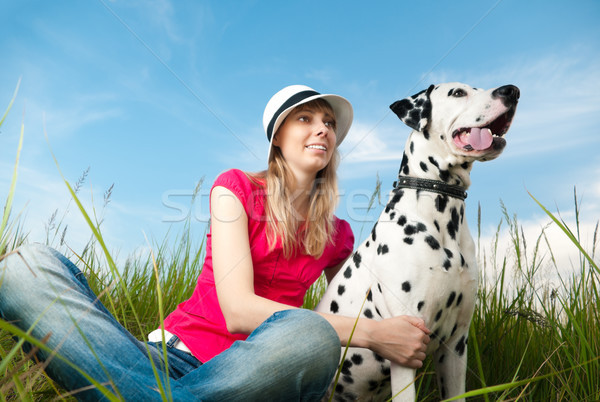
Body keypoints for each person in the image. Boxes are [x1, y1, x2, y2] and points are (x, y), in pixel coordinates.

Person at [0, 85, 430, 401]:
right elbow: (238, 310)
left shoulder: (338, 236)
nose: (323, 129)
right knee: (23, 269)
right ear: (277, 137)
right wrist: (372, 335)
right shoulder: (234, 188)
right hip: (164, 359)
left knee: (311, 337)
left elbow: (356, 303)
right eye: (306, 118)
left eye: (329, 124)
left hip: (260, 374)